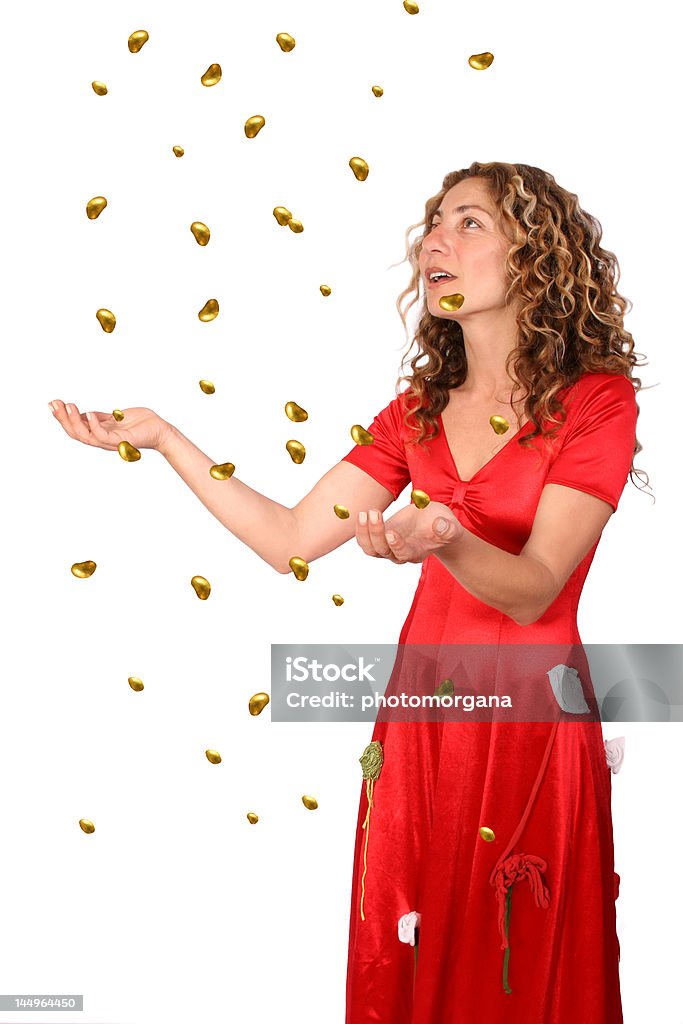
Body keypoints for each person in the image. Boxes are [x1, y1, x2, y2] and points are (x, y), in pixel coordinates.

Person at [48, 160, 649, 1023]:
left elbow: (534, 589)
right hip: (421, 732)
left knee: (521, 959)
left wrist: (443, 535)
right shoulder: (415, 412)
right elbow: (289, 540)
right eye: (432, 223)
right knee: (411, 942)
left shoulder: (596, 403)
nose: (433, 240)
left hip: (530, 729)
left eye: (468, 223)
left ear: (534, 254)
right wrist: (166, 439)